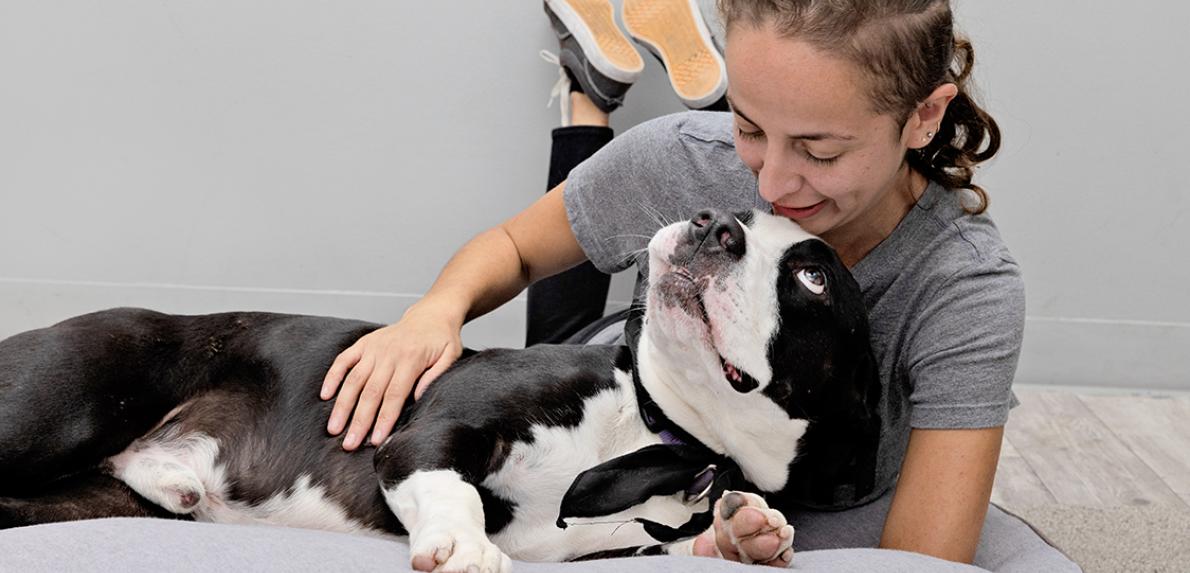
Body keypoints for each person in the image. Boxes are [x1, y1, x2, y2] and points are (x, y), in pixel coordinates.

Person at [320, 0, 1081, 570]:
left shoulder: (966, 290)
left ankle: (589, 91)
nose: (776, 181)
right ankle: (588, 89)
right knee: (560, 332)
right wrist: (434, 310)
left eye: (819, 148)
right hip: (624, 380)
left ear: (923, 117)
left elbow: (918, 560)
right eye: (748, 125)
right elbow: (516, 247)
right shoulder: (690, 158)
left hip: (738, 464)